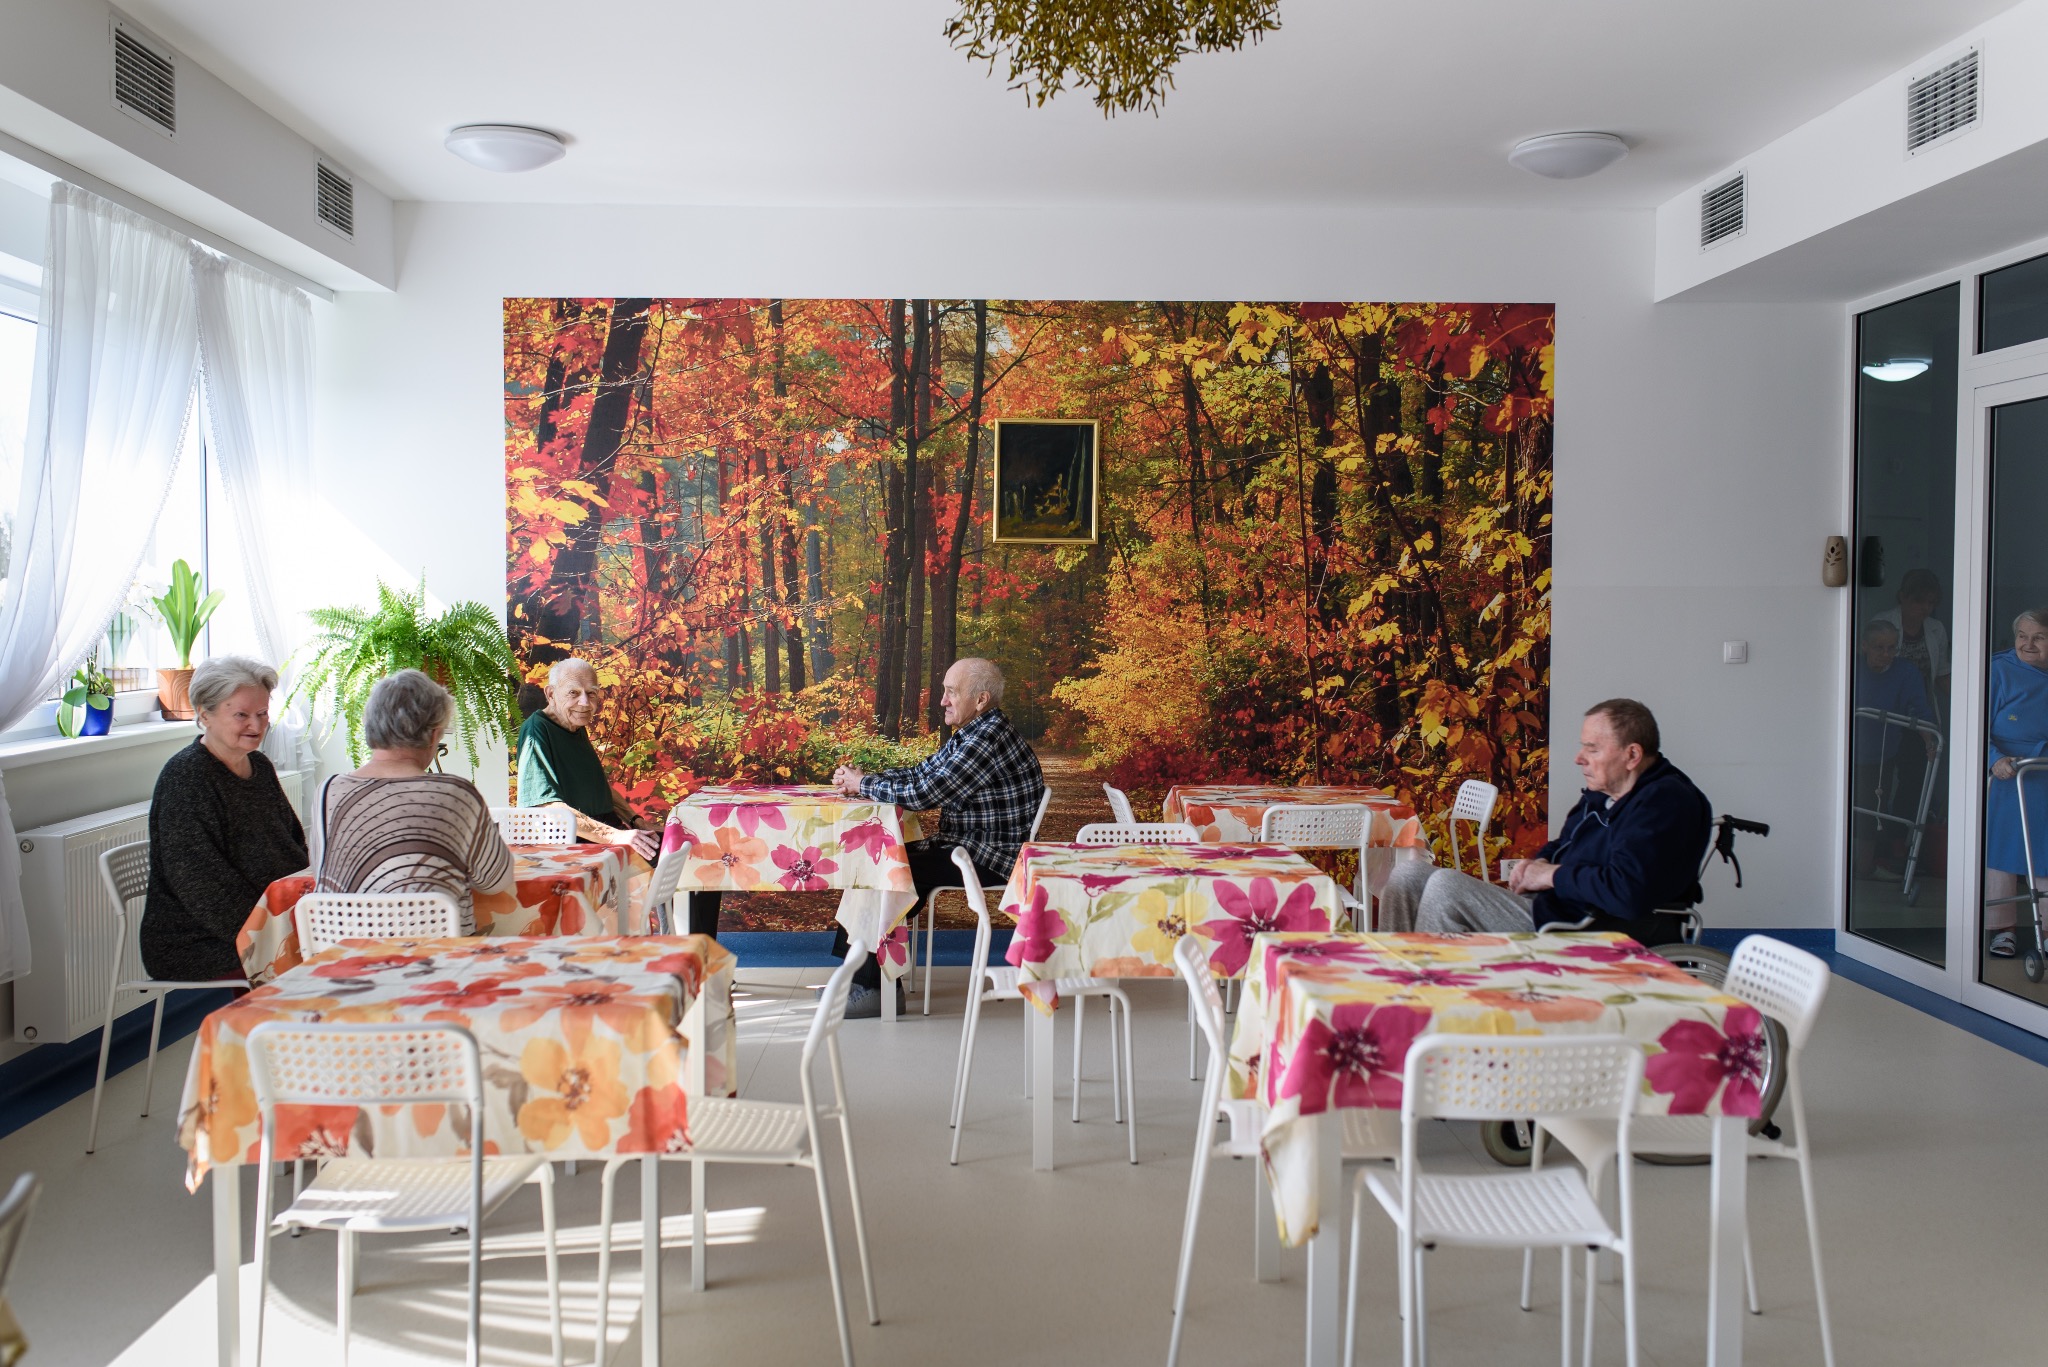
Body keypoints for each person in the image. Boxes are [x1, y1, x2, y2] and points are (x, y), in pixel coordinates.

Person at [1379, 698, 1711, 940]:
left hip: (1586, 926)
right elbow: (1563, 845)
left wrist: (1551, 875)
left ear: (1632, 755)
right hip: (1554, 906)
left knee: (1446, 887)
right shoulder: (1605, 792)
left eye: (1593, 749)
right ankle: (1393, 985)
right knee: (1407, 874)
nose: (1579, 758)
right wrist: (1533, 866)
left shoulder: (1665, 803)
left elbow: (1626, 891)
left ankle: (1430, 1008)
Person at [831, 657, 1046, 1016]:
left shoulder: (986, 739)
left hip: (990, 855)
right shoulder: (976, 730)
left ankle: (871, 988)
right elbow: (920, 773)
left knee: (883, 870)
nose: (942, 700)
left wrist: (863, 784)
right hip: (967, 847)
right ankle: (862, 978)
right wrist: (865, 778)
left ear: (980, 699)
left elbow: (925, 794)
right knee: (882, 863)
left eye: (950, 692)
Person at [141, 657, 309, 981]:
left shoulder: (259, 767)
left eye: (262, 714)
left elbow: (292, 845)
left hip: (269, 920)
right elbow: (201, 887)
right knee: (324, 954)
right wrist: (277, 930)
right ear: (205, 714)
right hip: (198, 939)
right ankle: (273, 1030)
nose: (257, 726)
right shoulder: (186, 778)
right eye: (242, 715)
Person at [515, 657, 710, 934]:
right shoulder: (537, 731)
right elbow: (547, 807)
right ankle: (665, 944)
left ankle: (686, 945)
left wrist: (636, 820)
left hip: (604, 828)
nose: (585, 703)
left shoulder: (574, 727)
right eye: (573, 693)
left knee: (685, 846)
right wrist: (618, 836)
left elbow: (599, 786)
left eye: (591, 694)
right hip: (570, 842)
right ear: (550, 693)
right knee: (672, 860)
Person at [315, 670, 515, 933]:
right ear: (434, 735)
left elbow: (320, 873)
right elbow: (495, 881)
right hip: (440, 962)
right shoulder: (456, 794)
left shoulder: (328, 790)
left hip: (345, 958)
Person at [1850, 619, 1939, 878]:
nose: (1886, 654)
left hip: (1881, 753)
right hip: (1845, 752)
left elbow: (1918, 709)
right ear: (1864, 646)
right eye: (1879, 648)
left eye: (1892, 648)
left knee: (1872, 810)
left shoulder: (1905, 672)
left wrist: (1929, 740)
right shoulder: (1849, 666)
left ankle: (1864, 868)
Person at [1983, 610, 2048, 959]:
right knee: (2003, 852)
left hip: (2046, 770)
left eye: (2038, 637)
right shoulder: (1999, 669)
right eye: (2022, 635)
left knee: (2047, 854)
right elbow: (1974, 723)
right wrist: (1994, 758)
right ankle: (2002, 929)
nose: (2027, 644)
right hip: (2010, 771)